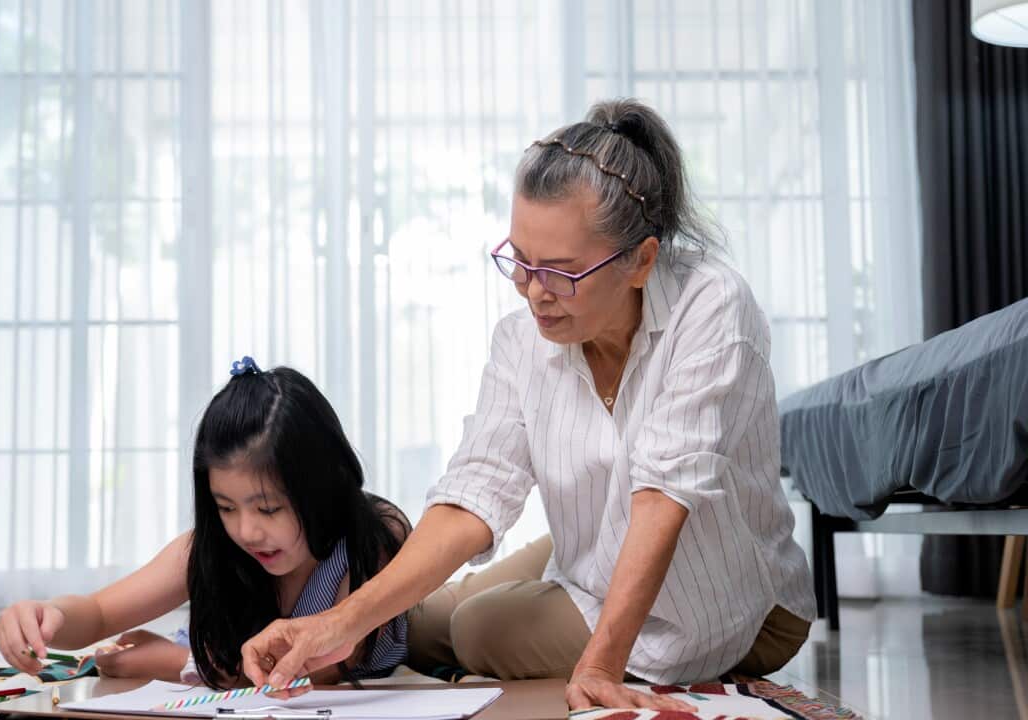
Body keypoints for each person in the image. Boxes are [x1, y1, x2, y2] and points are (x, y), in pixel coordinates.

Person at [238, 99, 816, 713]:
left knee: (476, 628)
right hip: (599, 543)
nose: (536, 294)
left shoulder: (713, 307)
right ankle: (294, 635)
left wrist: (600, 667)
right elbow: (475, 495)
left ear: (641, 261)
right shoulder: (522, 341)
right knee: (421, 618)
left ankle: (454, 651)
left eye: (561, 272)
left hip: (720, 599)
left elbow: (662, 499)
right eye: (520, 262)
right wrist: (336, 623)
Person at [0, 358, 411, 689]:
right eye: (225, 507)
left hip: (205, 661)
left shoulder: (371, 538)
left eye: (268, 509)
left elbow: (324, 670)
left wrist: (176, 662)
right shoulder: (214, 547)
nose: (246, 531)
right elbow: (101, 613)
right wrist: (48, 616)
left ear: (322, 485)